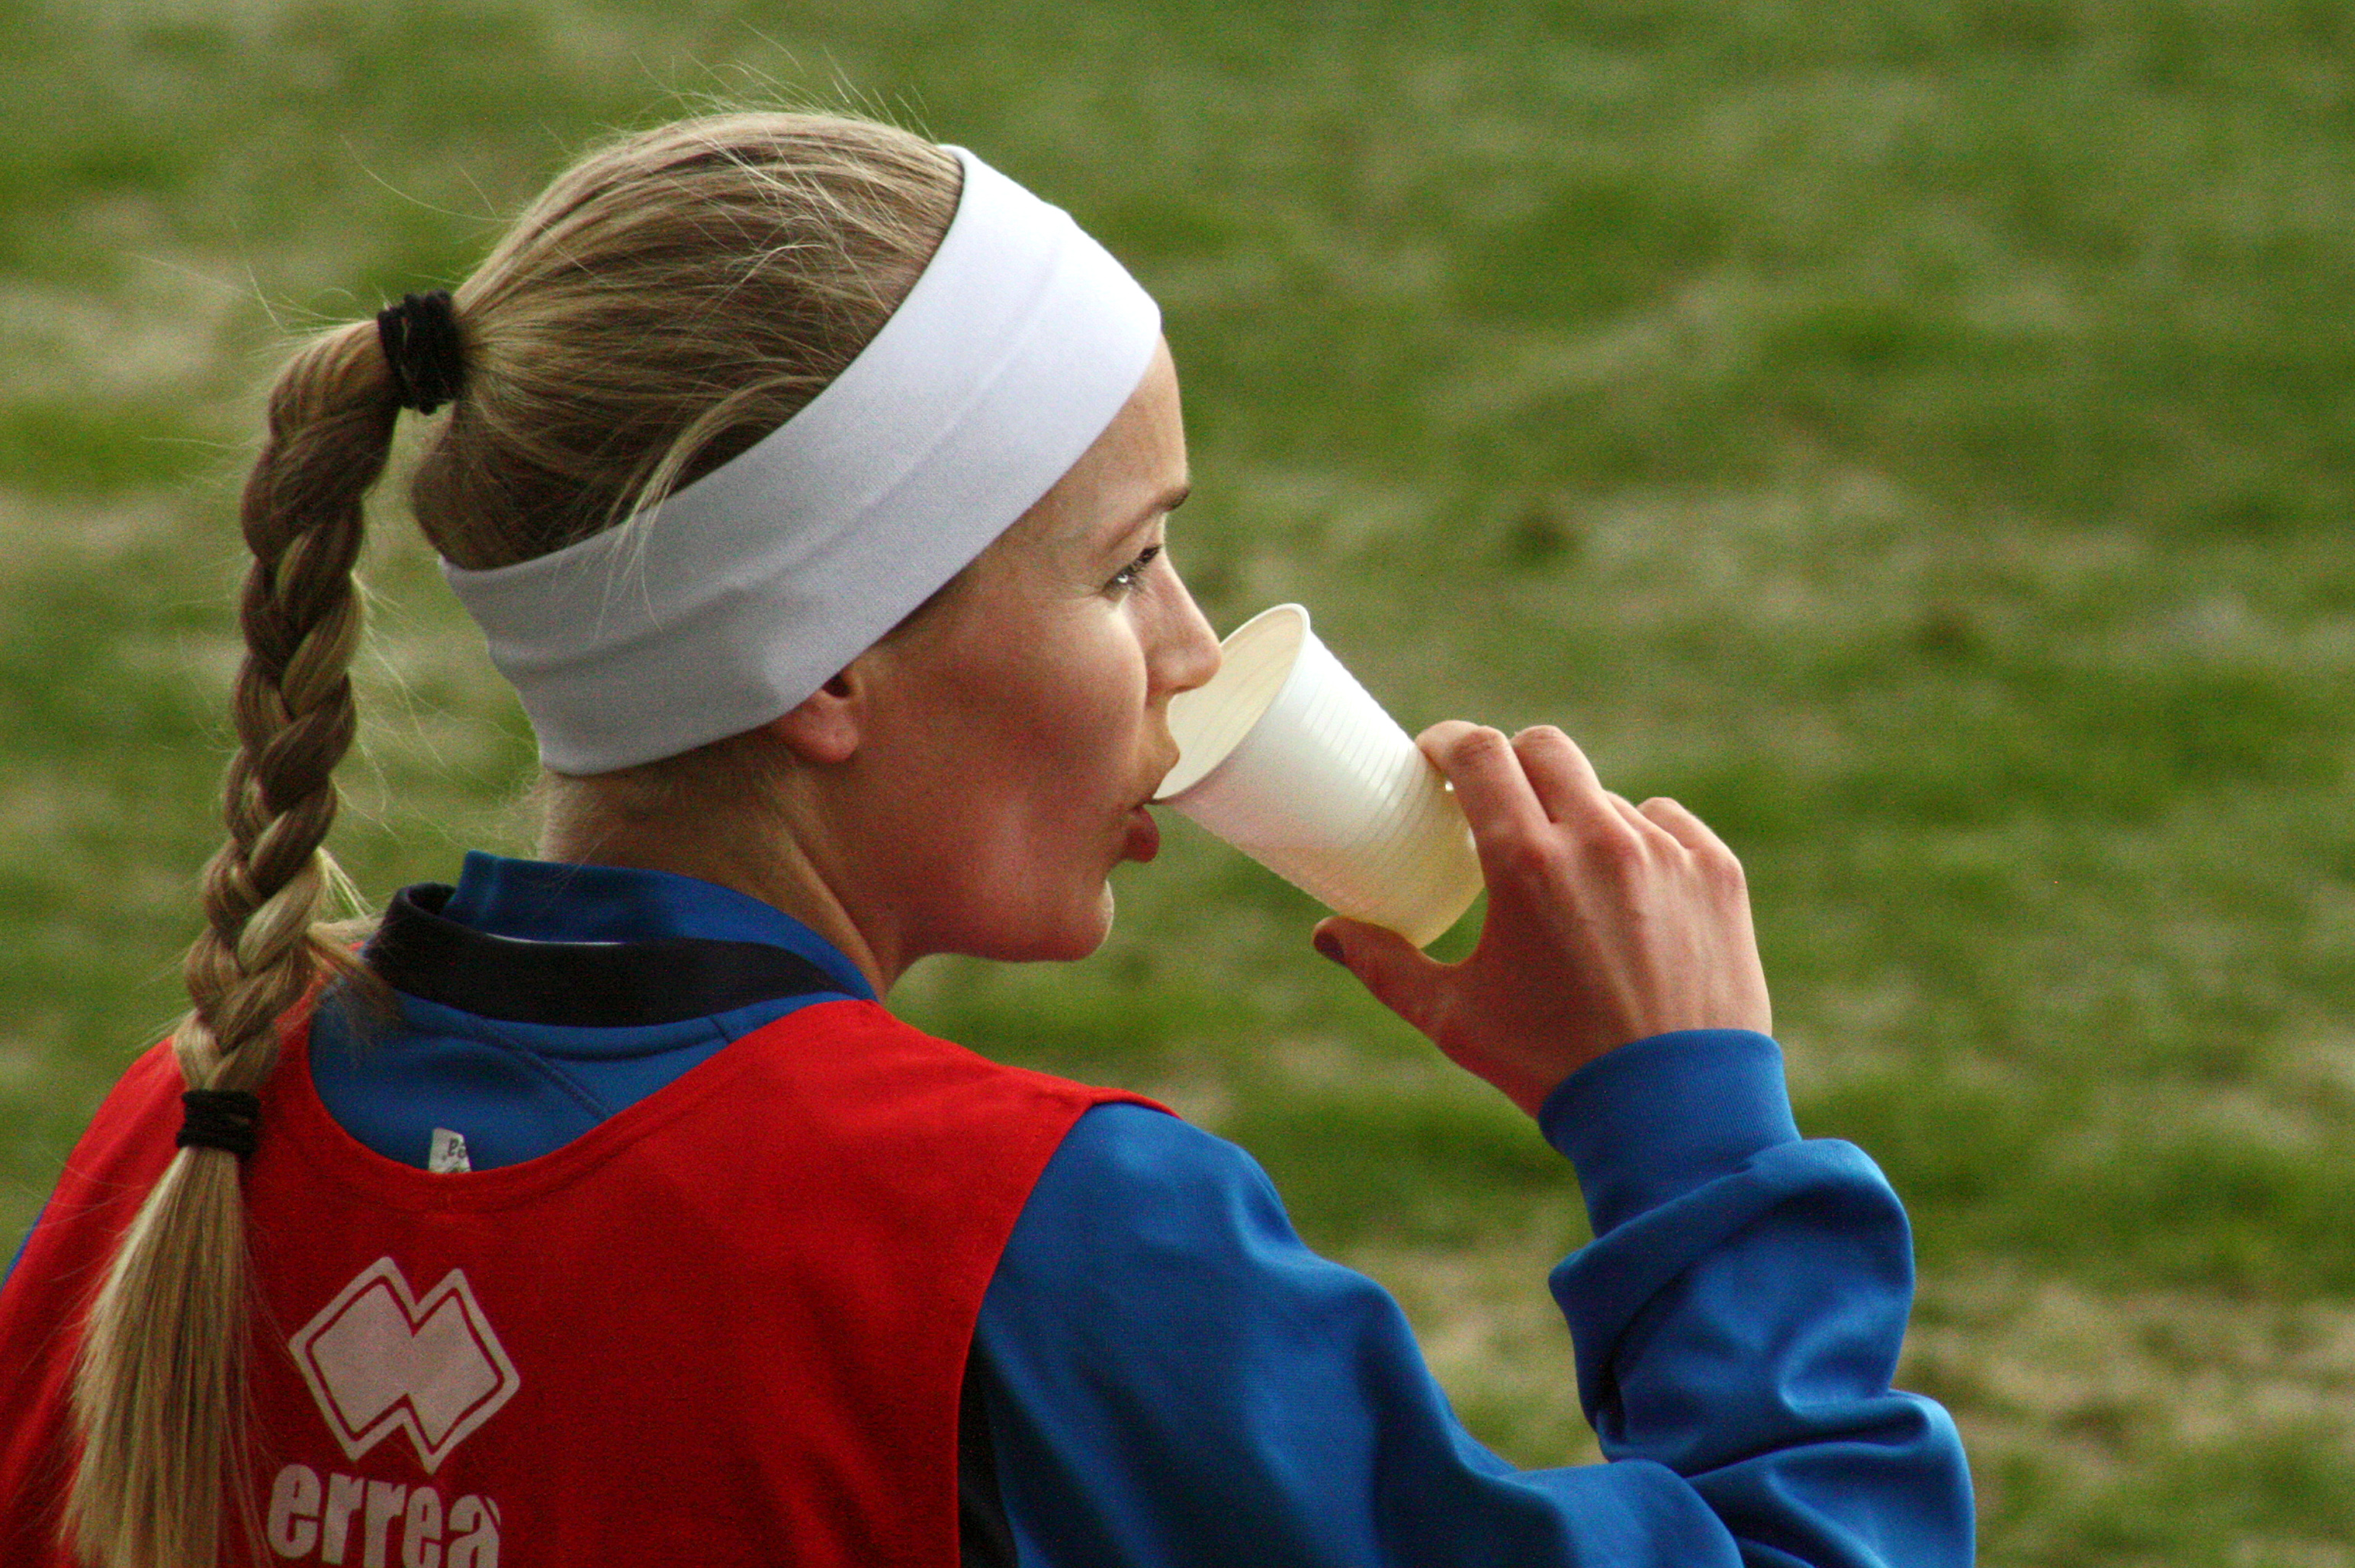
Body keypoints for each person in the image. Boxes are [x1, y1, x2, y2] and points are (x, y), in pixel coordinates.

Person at [0, 111, 1972, 1567]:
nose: (1190, 656)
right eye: (1125, 569)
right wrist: (1694, 1132)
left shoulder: (188, 1139)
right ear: (826, 665)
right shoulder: (1034, 1249)